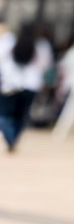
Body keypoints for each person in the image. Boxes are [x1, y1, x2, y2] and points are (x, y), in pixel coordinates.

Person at [0, 19, 53, 151]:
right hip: (31, 84)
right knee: (21, 115)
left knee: (5, 114)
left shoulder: (9, 41)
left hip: (9, 83)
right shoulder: (42, 45)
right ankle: (13, 138)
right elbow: (46, 65)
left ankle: (9, 136)